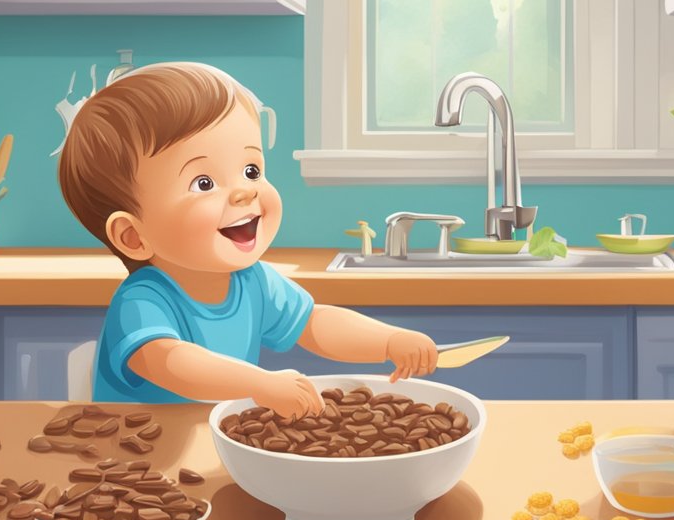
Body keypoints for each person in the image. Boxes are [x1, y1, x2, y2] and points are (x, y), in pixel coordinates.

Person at [59, 62, 438, 417]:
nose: (244, 193)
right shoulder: (142, 300)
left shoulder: (252, 280)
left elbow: (314, 324)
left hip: (215, 447)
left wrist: (389, 341)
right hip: (134, 458)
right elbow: (170, 361)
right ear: (133, 236)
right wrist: (258, 383)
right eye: (203, 183)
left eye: (251, 170)